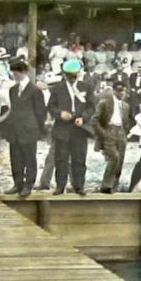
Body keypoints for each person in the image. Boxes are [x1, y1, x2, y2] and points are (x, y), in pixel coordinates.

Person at [47, 59, 94, 196]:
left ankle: (79, 186)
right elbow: (51, 107)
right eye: (70, 75)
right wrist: (60, 114)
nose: (72, 78)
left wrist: (83, 118)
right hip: (62, 128)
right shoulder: (57, 89)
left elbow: (91, 106)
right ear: (65, 74)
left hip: (79, 128)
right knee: (61, 158)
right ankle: (60, 186)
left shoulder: (86, 87)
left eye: (75, 74)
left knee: (79, 158)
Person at [0, 61, 47, 197]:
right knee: (16, 158)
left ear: (24, 72)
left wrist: (38, 128)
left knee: (29, 158)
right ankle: (18, 183)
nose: (15, 76)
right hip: (15, 129)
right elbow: (13, 109)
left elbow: (41, 112)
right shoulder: (13, 90)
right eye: (13, 74)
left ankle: (28, 184)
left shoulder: (35, 90)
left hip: (29, 129)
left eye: (16, 73)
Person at [92, 81, 134, 194]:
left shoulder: (126, 106)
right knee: (113, 157)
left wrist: (126, 132)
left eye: (124, 90)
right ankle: (106, 185)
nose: (122, 93)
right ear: (114, 91)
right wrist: (104, 133)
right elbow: (95, 120)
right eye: (120, 90)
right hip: (109, 131)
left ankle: (114, 185)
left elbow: (128, 120)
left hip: (121, 133)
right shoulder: (105, 103)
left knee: (120, 160)